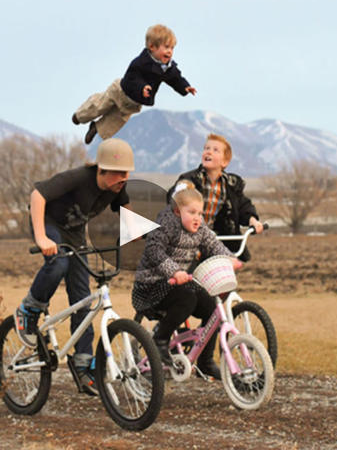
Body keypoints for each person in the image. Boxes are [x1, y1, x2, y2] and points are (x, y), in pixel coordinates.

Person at [14, 138, 135, 395]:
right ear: (102, 170)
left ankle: (82, 365)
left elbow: (127, 212)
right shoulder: (79, 178)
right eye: (119, 173)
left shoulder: (117, 188)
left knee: (83, 298)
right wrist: (41, 238)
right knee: (59, 265)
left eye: (127, 173)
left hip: (75, 234)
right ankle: (29, 308)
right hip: (49, 225)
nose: (124, 178)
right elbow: (38, 196)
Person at [131, 181, 241, 380]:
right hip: (151, 286)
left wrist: (230, 258)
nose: (197, 218)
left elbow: (213, 244)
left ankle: (205, 361)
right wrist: (174, 271)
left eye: (200, 213)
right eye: (191, 212)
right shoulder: (166, 225)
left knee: (211, 307)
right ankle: (160, 339)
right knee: (187, 299)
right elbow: (154, 250)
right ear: (176, 211)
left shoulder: (199, 228)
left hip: (177, 284)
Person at [72, 24, 197, 144]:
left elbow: (176, 78)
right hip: (120, 91)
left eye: (172, 48)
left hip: (133, 103)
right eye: (166, 47)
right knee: (99, 105)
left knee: (116, 121)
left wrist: (185, 87)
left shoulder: (167, 68)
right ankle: (80, 116)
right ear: (152, 47)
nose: (170, 52)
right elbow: (133, 76)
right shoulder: (141, 62)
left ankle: (96, 128)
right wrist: (141, 87)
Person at [168, 133, 264, 262]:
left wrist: (253, 221)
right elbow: (175, 196)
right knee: (184, 275)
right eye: (206, 148)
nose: (209, 152)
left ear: (224, 162)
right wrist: (181, 190)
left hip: (217, 240)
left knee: (221, 277)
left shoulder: (231, 185)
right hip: (190, 238)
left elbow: (242, 206)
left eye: (215, 150)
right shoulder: (190, 179)